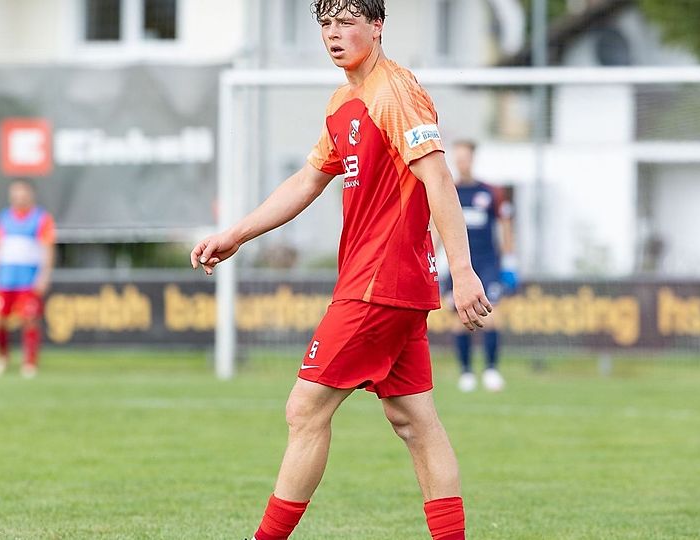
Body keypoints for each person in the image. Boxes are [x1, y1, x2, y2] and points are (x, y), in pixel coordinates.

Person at [190, 2, 492, 538]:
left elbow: (439, 180)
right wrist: (234, 235)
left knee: (305, 409)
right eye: (326, 24)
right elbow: (307, 182)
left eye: (347, 22)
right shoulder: (343, 101)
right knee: (415, 422)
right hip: (383, 283)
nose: (334, 34)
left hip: (379, 283)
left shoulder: (394, 92)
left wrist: (463, 270)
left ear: (377, 27)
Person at [443, 140, 518, 392]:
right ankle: (465, 373)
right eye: (458, 157)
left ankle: (491, 370)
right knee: (459, 319)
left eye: (465, 157)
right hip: (459, 263)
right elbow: (435, 227)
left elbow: (506, 226)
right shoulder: (448, 191)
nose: (461, 162)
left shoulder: (490, 192)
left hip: (487, 263)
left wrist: (509, 262)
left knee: (492, 316)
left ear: (473, 159)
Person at [0, 180, 56, 379]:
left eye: (23, 193)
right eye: (15, 193)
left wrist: (44, 275)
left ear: (31, 194)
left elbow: (48, 248)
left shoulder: (42, 219)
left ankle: (30, 362)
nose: (19, 197)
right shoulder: (4, 218)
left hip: (28, 280)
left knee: (30, 320)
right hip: (4, 279)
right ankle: (2, 357)